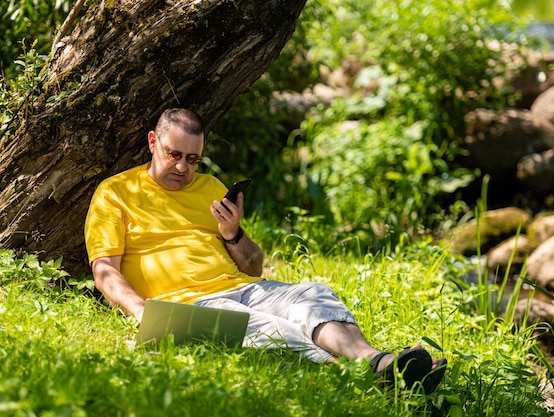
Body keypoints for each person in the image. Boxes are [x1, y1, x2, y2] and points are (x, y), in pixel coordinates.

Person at [84, 108, 446, 393]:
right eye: (173, 154)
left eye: (192, 159)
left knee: (312, 295)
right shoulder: (116, 193)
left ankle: (376, 361)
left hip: (245, 288)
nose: (182, 167)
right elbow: (105, 271)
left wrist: (233, 233)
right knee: (270, 328)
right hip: (190, 304)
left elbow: (254, 266)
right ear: (152, 142)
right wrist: (141, 311)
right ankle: (363, 381)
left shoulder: (210, 186)